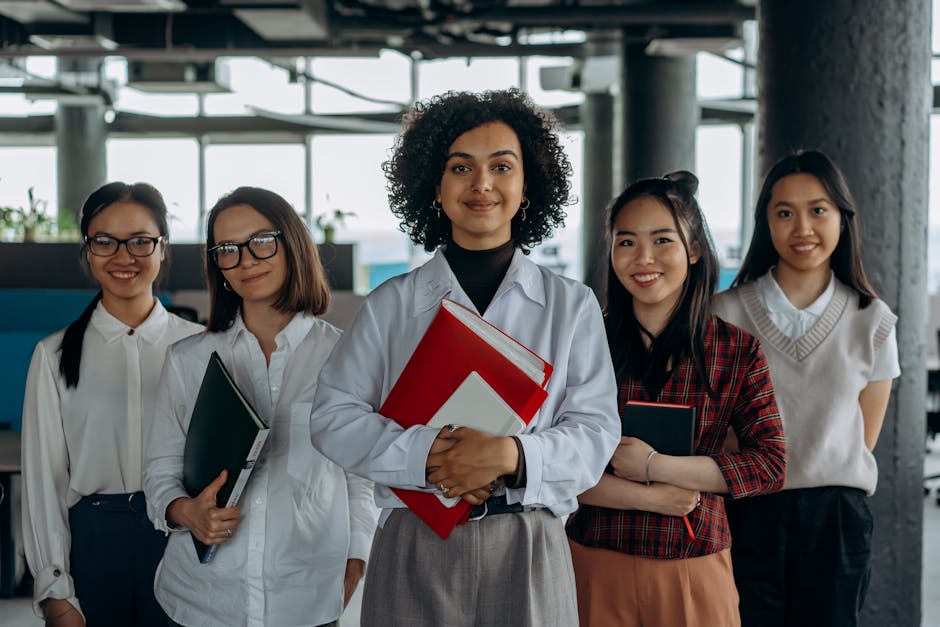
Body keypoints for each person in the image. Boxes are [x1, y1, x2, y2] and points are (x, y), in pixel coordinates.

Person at [308, 88, 620, 627]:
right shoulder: (392, 304)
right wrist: (431, 456)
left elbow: (595, 430)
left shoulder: (571, 304)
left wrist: (509, 457)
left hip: (526, 541)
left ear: (528, 186)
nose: (482, 184)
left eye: (503, 166)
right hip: (414, 538)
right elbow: (332, 419)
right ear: (434, 183)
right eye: (461, 167)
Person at [142, 187, 377, 627]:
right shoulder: (188, 360)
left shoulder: (347, 357)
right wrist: (185, 512)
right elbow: (160, 469)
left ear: (292, 244)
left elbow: (360, 479)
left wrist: (355, 563)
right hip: (201, 601)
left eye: (261, 241)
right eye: (228, 250)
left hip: (307, 599)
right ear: (218, 266)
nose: (246, 260)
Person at [565, 172, 787, 627]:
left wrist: (655, 468)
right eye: (625, 242)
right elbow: (555, 463)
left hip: (695, 565)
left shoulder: (734, 350)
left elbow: (769, 464)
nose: (643, 258)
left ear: (694, 249)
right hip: (593, 563)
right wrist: (652, 498)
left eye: (662, 240)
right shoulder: (583, 342)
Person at [712, 150, 900, 627]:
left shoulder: (872, 320)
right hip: (747, 512)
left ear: (843, 218)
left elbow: (864, 440)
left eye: (818, 209)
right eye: (784, 212)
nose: (803, 227)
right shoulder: (723, 314)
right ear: (765, 223)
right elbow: (716, 429)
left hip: (836, 520)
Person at [21, 182, 204, 627]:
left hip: (182, 538)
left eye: (141, 241)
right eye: (105, 241)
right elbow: (44, 481)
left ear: (163, 250)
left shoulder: (202, 348)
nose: (124, 256)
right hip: (95, 543)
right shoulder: (55, 354)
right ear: (87, 250)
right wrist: (55, 590)